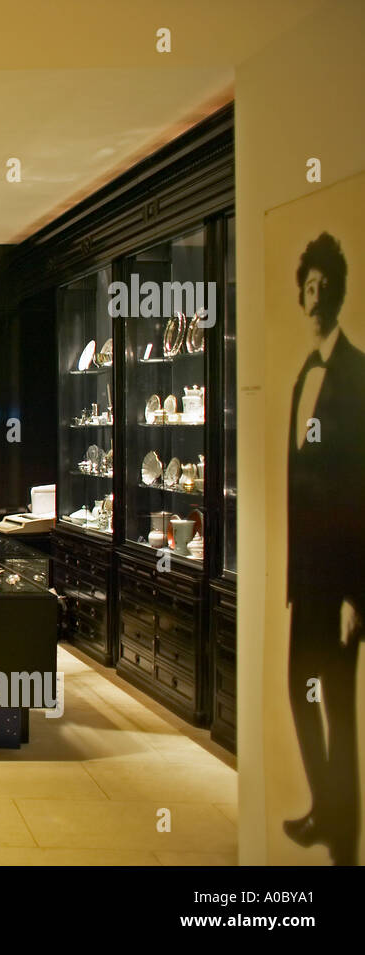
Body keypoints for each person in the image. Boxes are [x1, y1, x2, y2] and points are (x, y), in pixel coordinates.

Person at [284, 231, 365, 866]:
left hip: (339, 583)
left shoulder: (357, 376)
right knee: (299, 691)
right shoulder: (299, 381)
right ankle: (324, 808)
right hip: (303, 580)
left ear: (336, 292)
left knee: (338, 704)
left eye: (321, 286)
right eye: (306, 287)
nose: (313, 297)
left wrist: (355, 593)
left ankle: (344, 834)